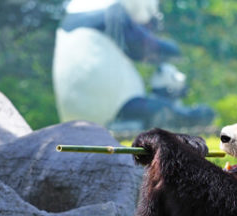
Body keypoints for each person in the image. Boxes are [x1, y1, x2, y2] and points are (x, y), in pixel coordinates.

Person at [52, 0, 214, 130]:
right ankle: (188, 117)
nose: (152, 14)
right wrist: (169, 48)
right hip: (112, 110)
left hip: (77, 114)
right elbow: (143, 47)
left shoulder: (79, 13)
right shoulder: (112, 10)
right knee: (160, 109)